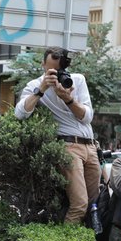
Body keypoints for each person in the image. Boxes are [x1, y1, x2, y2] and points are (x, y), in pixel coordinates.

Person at [16, 47, 99, 224]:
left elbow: (87, 117)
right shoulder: (34, 85)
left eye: (59, 70)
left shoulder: (76, 80)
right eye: (51, 70)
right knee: (79, 204)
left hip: (90, 146)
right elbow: (20, 114)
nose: (55, 75)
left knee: (95, 202)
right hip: (67, 147)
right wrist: (41, 89)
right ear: (43, 64)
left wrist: (68, 99)